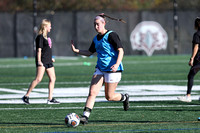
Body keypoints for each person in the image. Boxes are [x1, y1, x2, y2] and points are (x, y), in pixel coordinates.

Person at [71, 13, 129, 124]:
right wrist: (76, 51)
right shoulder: (96, 38)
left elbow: (121, 50)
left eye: (98, 24)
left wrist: (117, 64)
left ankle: (124, 97)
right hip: (100, 68)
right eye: (94, 24)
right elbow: (89, 52)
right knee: (92, 92)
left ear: (104, 23)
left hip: (113, 70)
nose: (96, 26)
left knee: (109, 96)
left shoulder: (112, 35)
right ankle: (85, 117)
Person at [22, 19, 60, 105]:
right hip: (42, 61)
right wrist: (39, 61)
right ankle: (26, 96)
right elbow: (39, 50)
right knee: (38, 79)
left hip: (48, 61)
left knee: (53, 78)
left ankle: (50, 99)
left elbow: (47, 50)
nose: (51, 27)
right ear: (45, 27)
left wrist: (50, 58)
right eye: (49, 26)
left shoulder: (47, 37)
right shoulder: (40, 37)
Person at [177, 17, 200, 102]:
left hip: (199, 59)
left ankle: (188, 96)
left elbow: (196, 47)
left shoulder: (197, 34)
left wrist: (192, 58)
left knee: (191, 75)